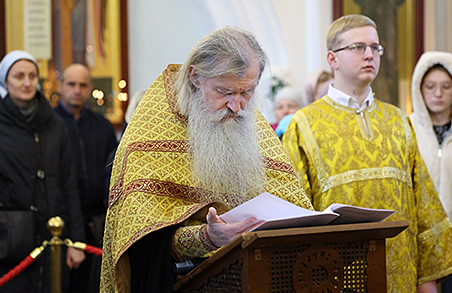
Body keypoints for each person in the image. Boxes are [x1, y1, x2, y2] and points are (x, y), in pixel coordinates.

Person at [99, 26, 314, 293]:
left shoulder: (250, 122)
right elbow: (142, 244)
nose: (237, 106)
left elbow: (291, 203)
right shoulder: (151, 128)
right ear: (195, 77)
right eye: (225, 92)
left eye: (247, 92)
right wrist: (206, 238)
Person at [283, 15, 452, 293]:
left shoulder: (397, 120)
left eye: (375, 47)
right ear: (332, 59)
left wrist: (427, 280)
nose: (369, 54)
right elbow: (294, 213)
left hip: (401, 274)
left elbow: (423, 204)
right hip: (332, 276)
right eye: (358, 47)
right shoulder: (305, 124)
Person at [0, 50, 86, 292]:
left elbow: (69, 183)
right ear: (5, 80)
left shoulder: (53, 122)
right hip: (10, 241)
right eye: (19, 76)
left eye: (32, 76)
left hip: (53, 236)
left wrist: (77, 241)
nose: (27, 83)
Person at [409, 51, 452, 292]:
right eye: (430, 86)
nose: (438, 93)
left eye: (446, 86)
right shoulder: (407, 127)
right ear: (419, 89)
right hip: (422, 244)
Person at [53, 63, 117, 292]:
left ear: (90, 88)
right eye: (71, 84)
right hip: (63, 220)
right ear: (60, 87)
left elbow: (112, 170)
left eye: (82, 85)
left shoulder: (102, 125)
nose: (77, 90)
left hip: (98, 219)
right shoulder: (50, 124)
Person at [352, 0, 406, 106]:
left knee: (389, 61)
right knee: (367, 60)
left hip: (387, 23)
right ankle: (367, 101)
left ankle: (391, 102)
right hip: (368, 21)